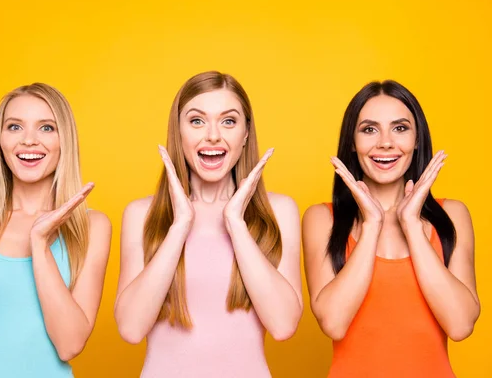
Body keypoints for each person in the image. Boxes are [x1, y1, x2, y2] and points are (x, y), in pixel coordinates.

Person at [114, 71, 303, 377]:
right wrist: (180, 226)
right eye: (197, 121)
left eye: (228, 121)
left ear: (245, 135)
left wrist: (236, 223)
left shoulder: (279, 211)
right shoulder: (141, 214)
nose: (213, 135)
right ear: (178, 133)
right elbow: (131, 329)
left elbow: (283, 325)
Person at [0, 83, 111, 378]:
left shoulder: (92, 226)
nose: (29, 141)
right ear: (0, 140)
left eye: (47, 128)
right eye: (14, 127)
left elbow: (70, 344)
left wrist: (39, 243)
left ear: (65, 140)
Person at [302, 80, 480, 377]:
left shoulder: (452, 214)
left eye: (400, 128)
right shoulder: (322, 219)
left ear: (417, 140)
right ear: (351, 143)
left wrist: (410, 223)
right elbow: (333, 322)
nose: (385, 142)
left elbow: (461, 325)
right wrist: (372, 224)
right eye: (369, 129)